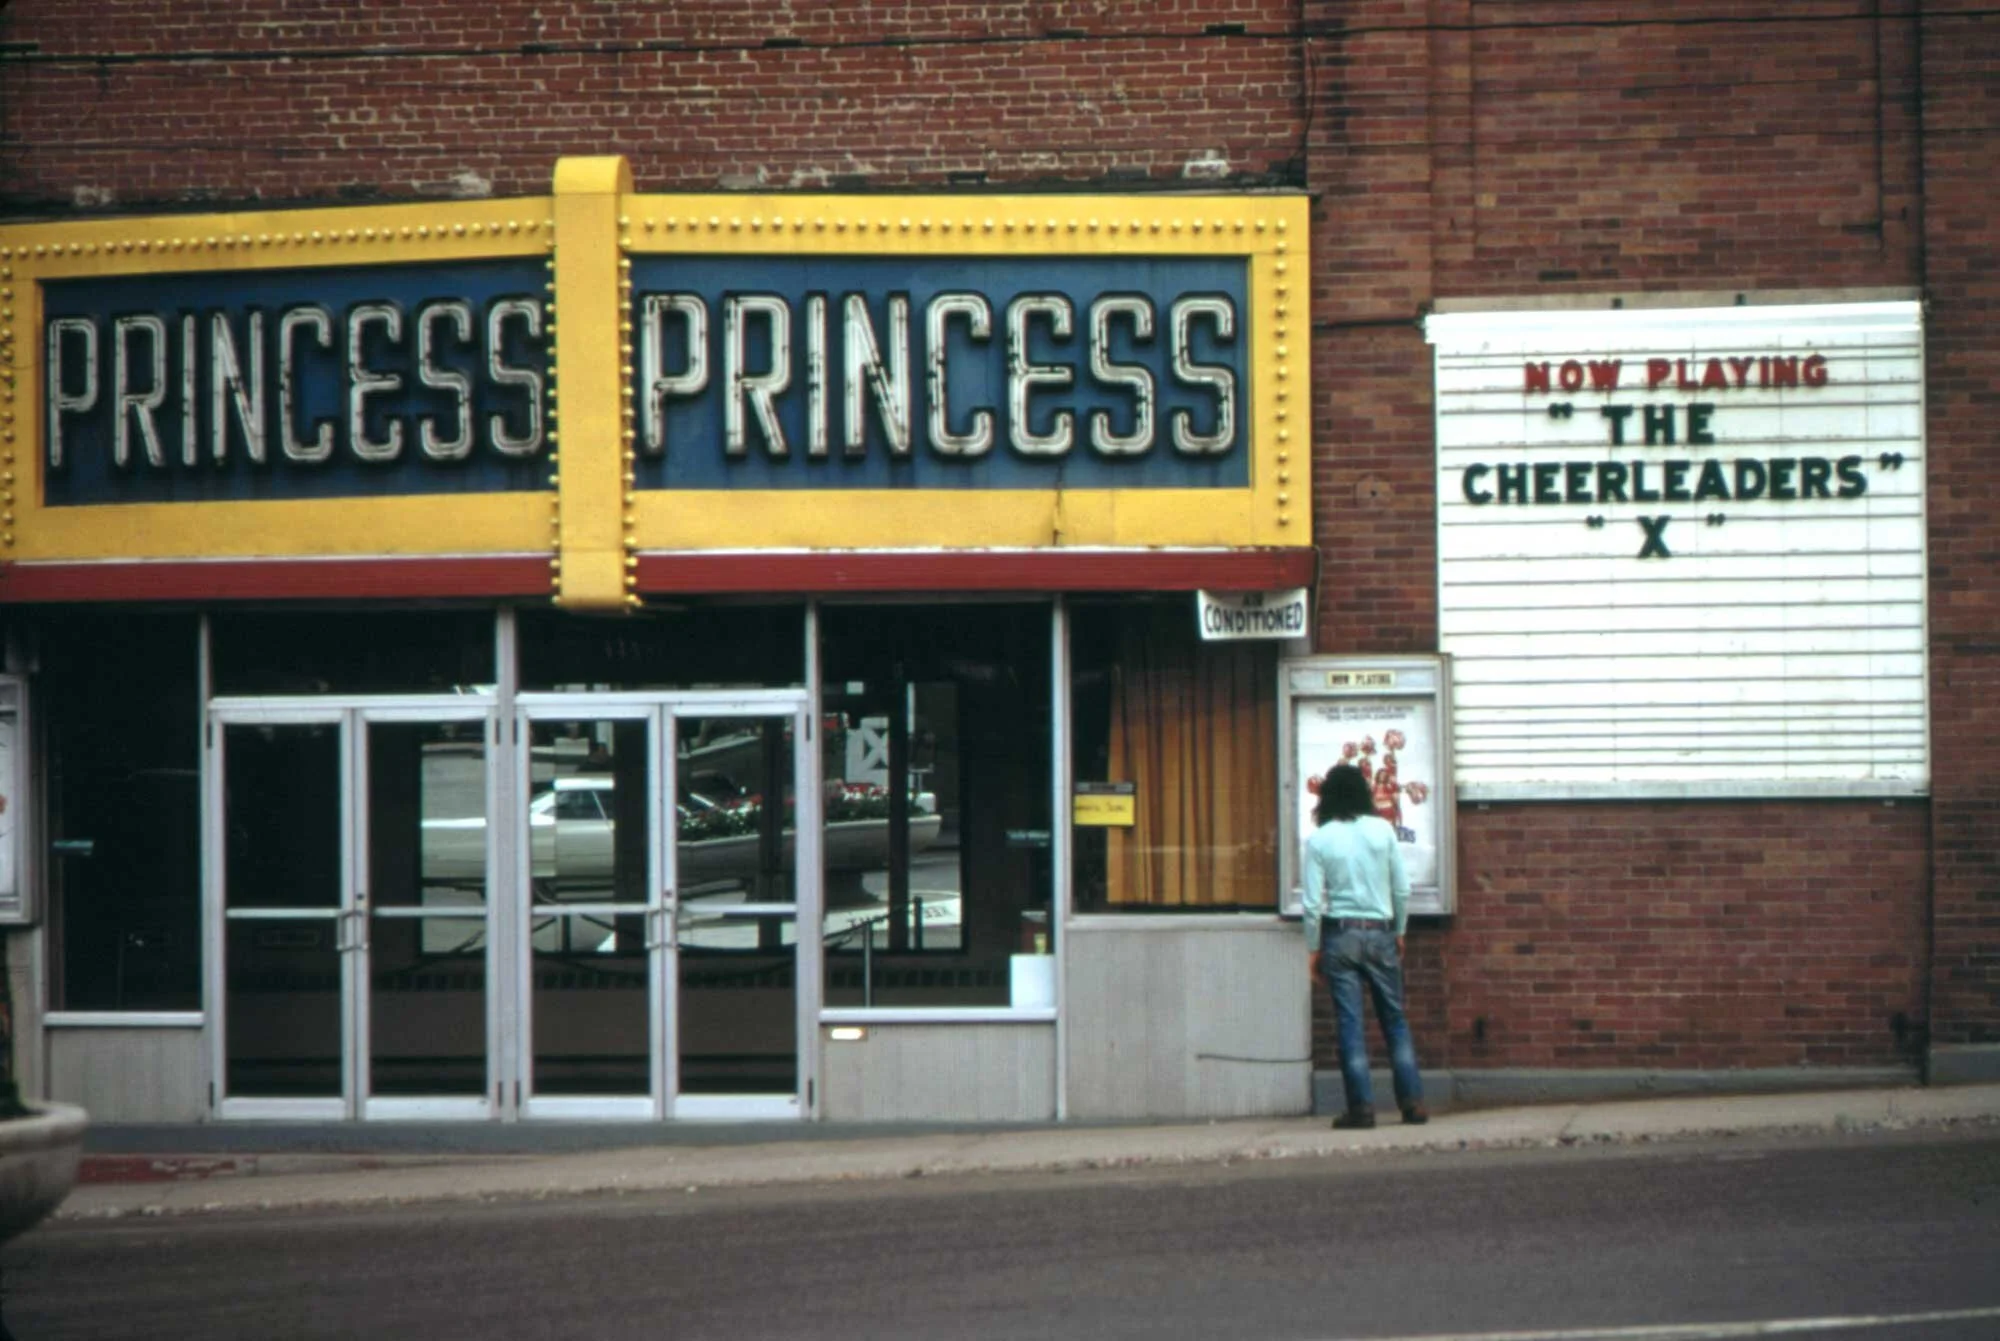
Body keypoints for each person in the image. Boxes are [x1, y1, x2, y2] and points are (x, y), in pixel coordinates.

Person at [1302, 761, 1428, 1129]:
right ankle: (1413, 1103)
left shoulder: (1321, 838)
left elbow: (1312, 905)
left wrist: (1314, 949)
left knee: (1350, 1022)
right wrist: (1399, 930)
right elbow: (1401, 888)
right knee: (1395, 1019)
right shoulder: (1382, 831)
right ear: (1363, 792)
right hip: (1381, 930)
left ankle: (1361, 1109)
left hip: (1340, 935)